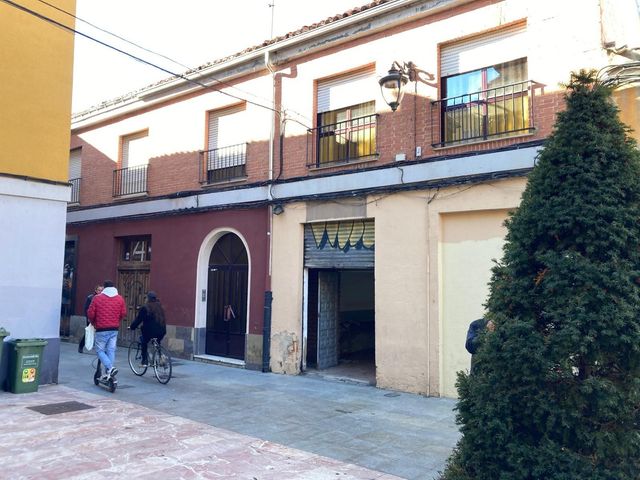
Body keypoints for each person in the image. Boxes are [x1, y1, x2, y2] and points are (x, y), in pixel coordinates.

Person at [87, 280, 126, 381]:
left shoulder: (97, 298)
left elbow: (90, 313)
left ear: (104, 288)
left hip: (101, 328)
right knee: (111, 350)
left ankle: (110, 368)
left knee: (99, 350)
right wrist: (116, 320)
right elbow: (123, 313)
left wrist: (93, 322)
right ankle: (109, 373)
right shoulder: (120, 298)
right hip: (114, 329)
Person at [129, 291, 167, 367]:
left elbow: (138, 320)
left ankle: (144, 361)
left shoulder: (145, 308)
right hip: (162, 331)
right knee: (157, 342)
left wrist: (132, 327)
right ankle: (161, 356)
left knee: (144, 342)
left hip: (150, 332)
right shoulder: (160, 307)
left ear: (148, 298)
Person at [78, 284, 103, 353]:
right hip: (91, 318)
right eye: (99, 290)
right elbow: (86, 309)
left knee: (99, 333)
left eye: (101, 290)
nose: (100, 292)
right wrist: (88, 318)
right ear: (96, 290)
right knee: (89, 332)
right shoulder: (90, 298)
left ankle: (99, 348)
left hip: (100, 318)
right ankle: (81, 346)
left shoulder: (103, 298)